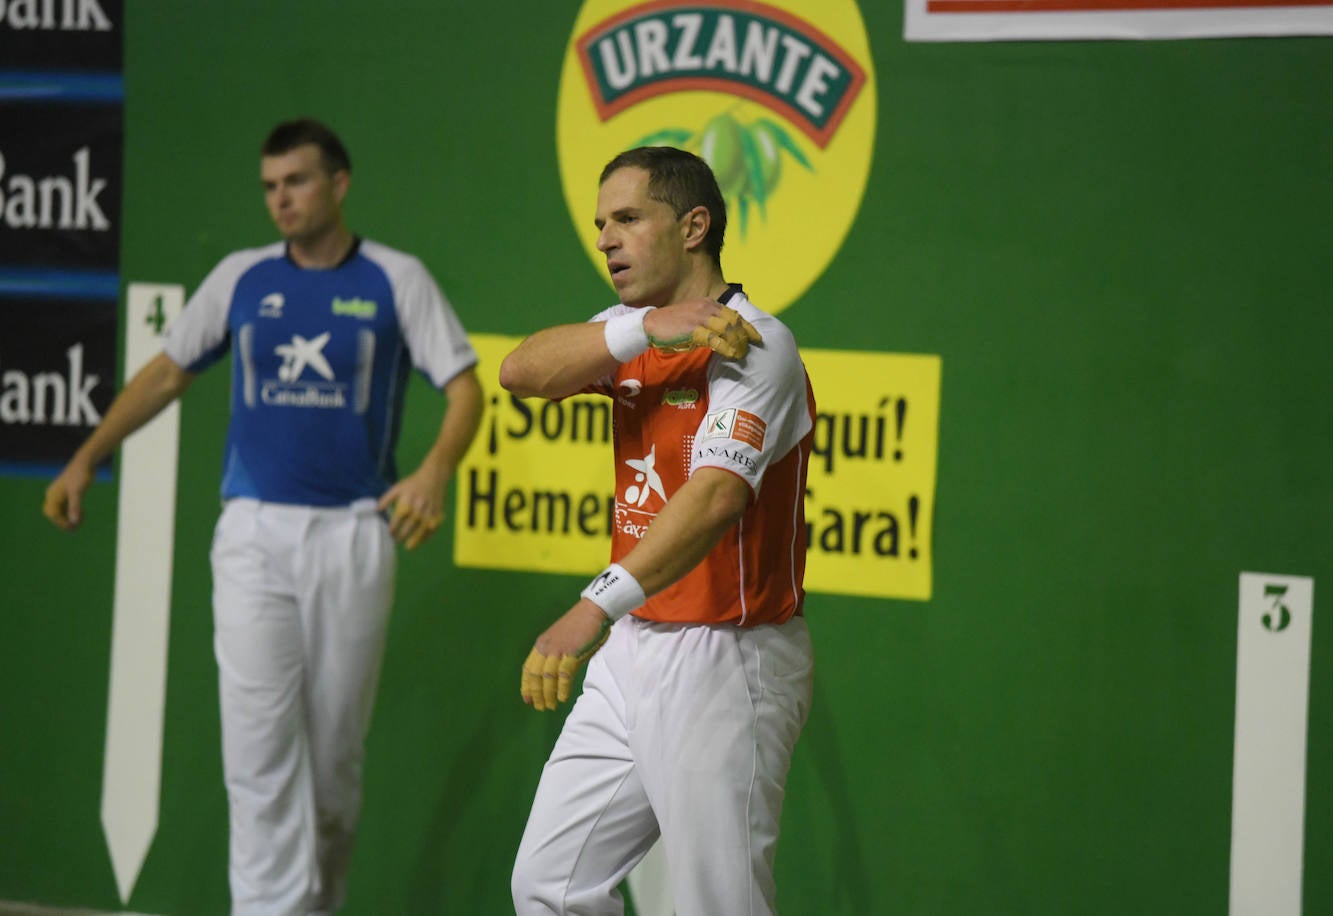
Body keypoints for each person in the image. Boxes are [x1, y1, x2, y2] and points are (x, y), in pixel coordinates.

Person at [42, 118, 483, 914]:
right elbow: (167, 374)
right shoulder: (240, 279)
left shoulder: (395, 278)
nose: (281, 199)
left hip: (353, 535)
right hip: (251, 534)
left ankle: (317, 904)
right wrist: (85, 455)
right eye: (270, 186)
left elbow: (464, 388)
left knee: (334, 763)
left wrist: (432, 473)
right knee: (257, 749)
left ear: (339, 183)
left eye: (298, 181)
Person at [502, 146, 816, 916]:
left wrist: (592, 606)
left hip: (727, 659)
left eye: (629, 219)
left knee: (718, 905)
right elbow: (521, 372)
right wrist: (647, 327)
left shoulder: (757, 345)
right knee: (551, 886)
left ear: (693, 226)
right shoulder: (631, 331)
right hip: (635, 651)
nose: (606, 238)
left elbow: (713, 499)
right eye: (600, 223)